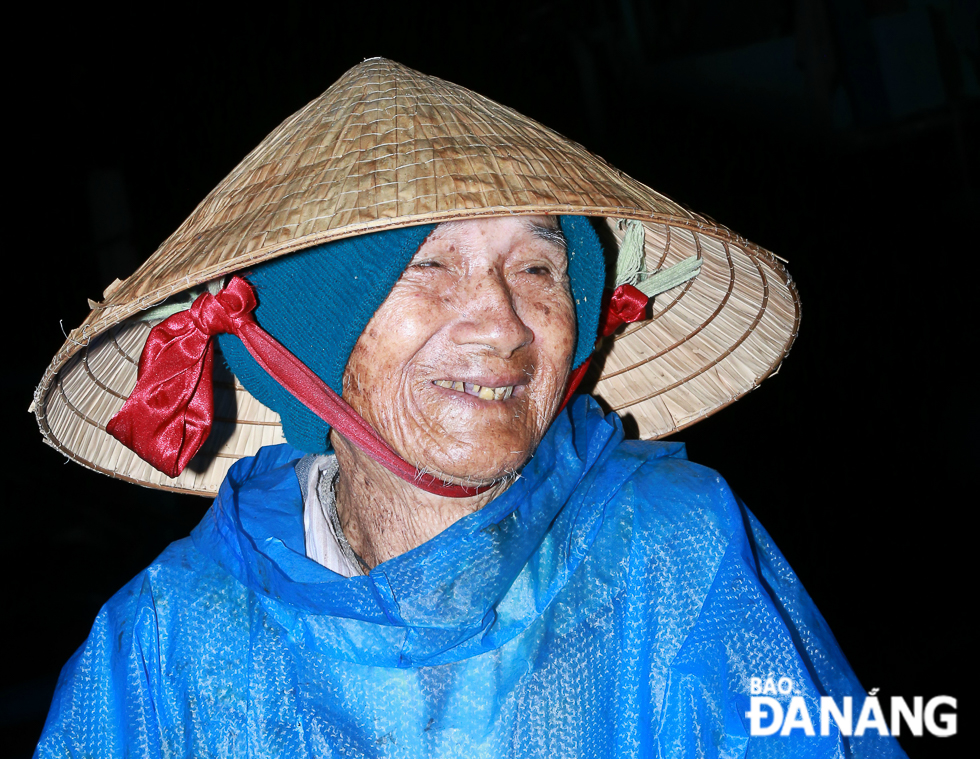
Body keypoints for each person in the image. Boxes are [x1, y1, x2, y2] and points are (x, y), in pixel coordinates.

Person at [33, 59, 906, 757]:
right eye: (429, 265)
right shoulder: (172, 641)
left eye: (537, 268)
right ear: (301, 345)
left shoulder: (674, 551)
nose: (501, 325)